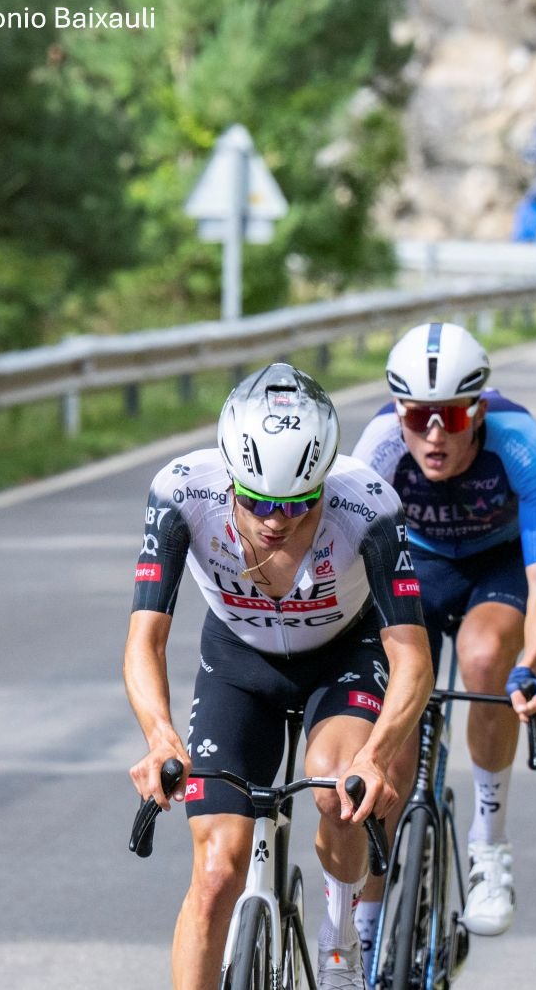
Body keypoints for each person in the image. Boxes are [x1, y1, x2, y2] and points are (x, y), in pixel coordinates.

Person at [123, 363, 434, 990]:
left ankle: (340, 939)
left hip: (342, 657)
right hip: (238, 663)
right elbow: (144, 640)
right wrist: (159, 738)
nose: (277, 518)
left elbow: (413, 658)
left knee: (339, 794)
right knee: (214, 876)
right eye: (259, 500)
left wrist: (376, 756)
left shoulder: (367, 504)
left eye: (298, 501)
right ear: (231, 474)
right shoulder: (183, 491)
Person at [352, 321, 536, 941]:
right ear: (398, 413)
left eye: (452, 415)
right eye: (419, 418)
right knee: (390, 734)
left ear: (478, 409)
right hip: (414, 566)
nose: (436, 434)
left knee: (484, 655)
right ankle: (363, 933)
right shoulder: (378, 450)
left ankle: (488, 848)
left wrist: (532, 668)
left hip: (492, 569)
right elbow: (342, 568)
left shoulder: (523, 444)